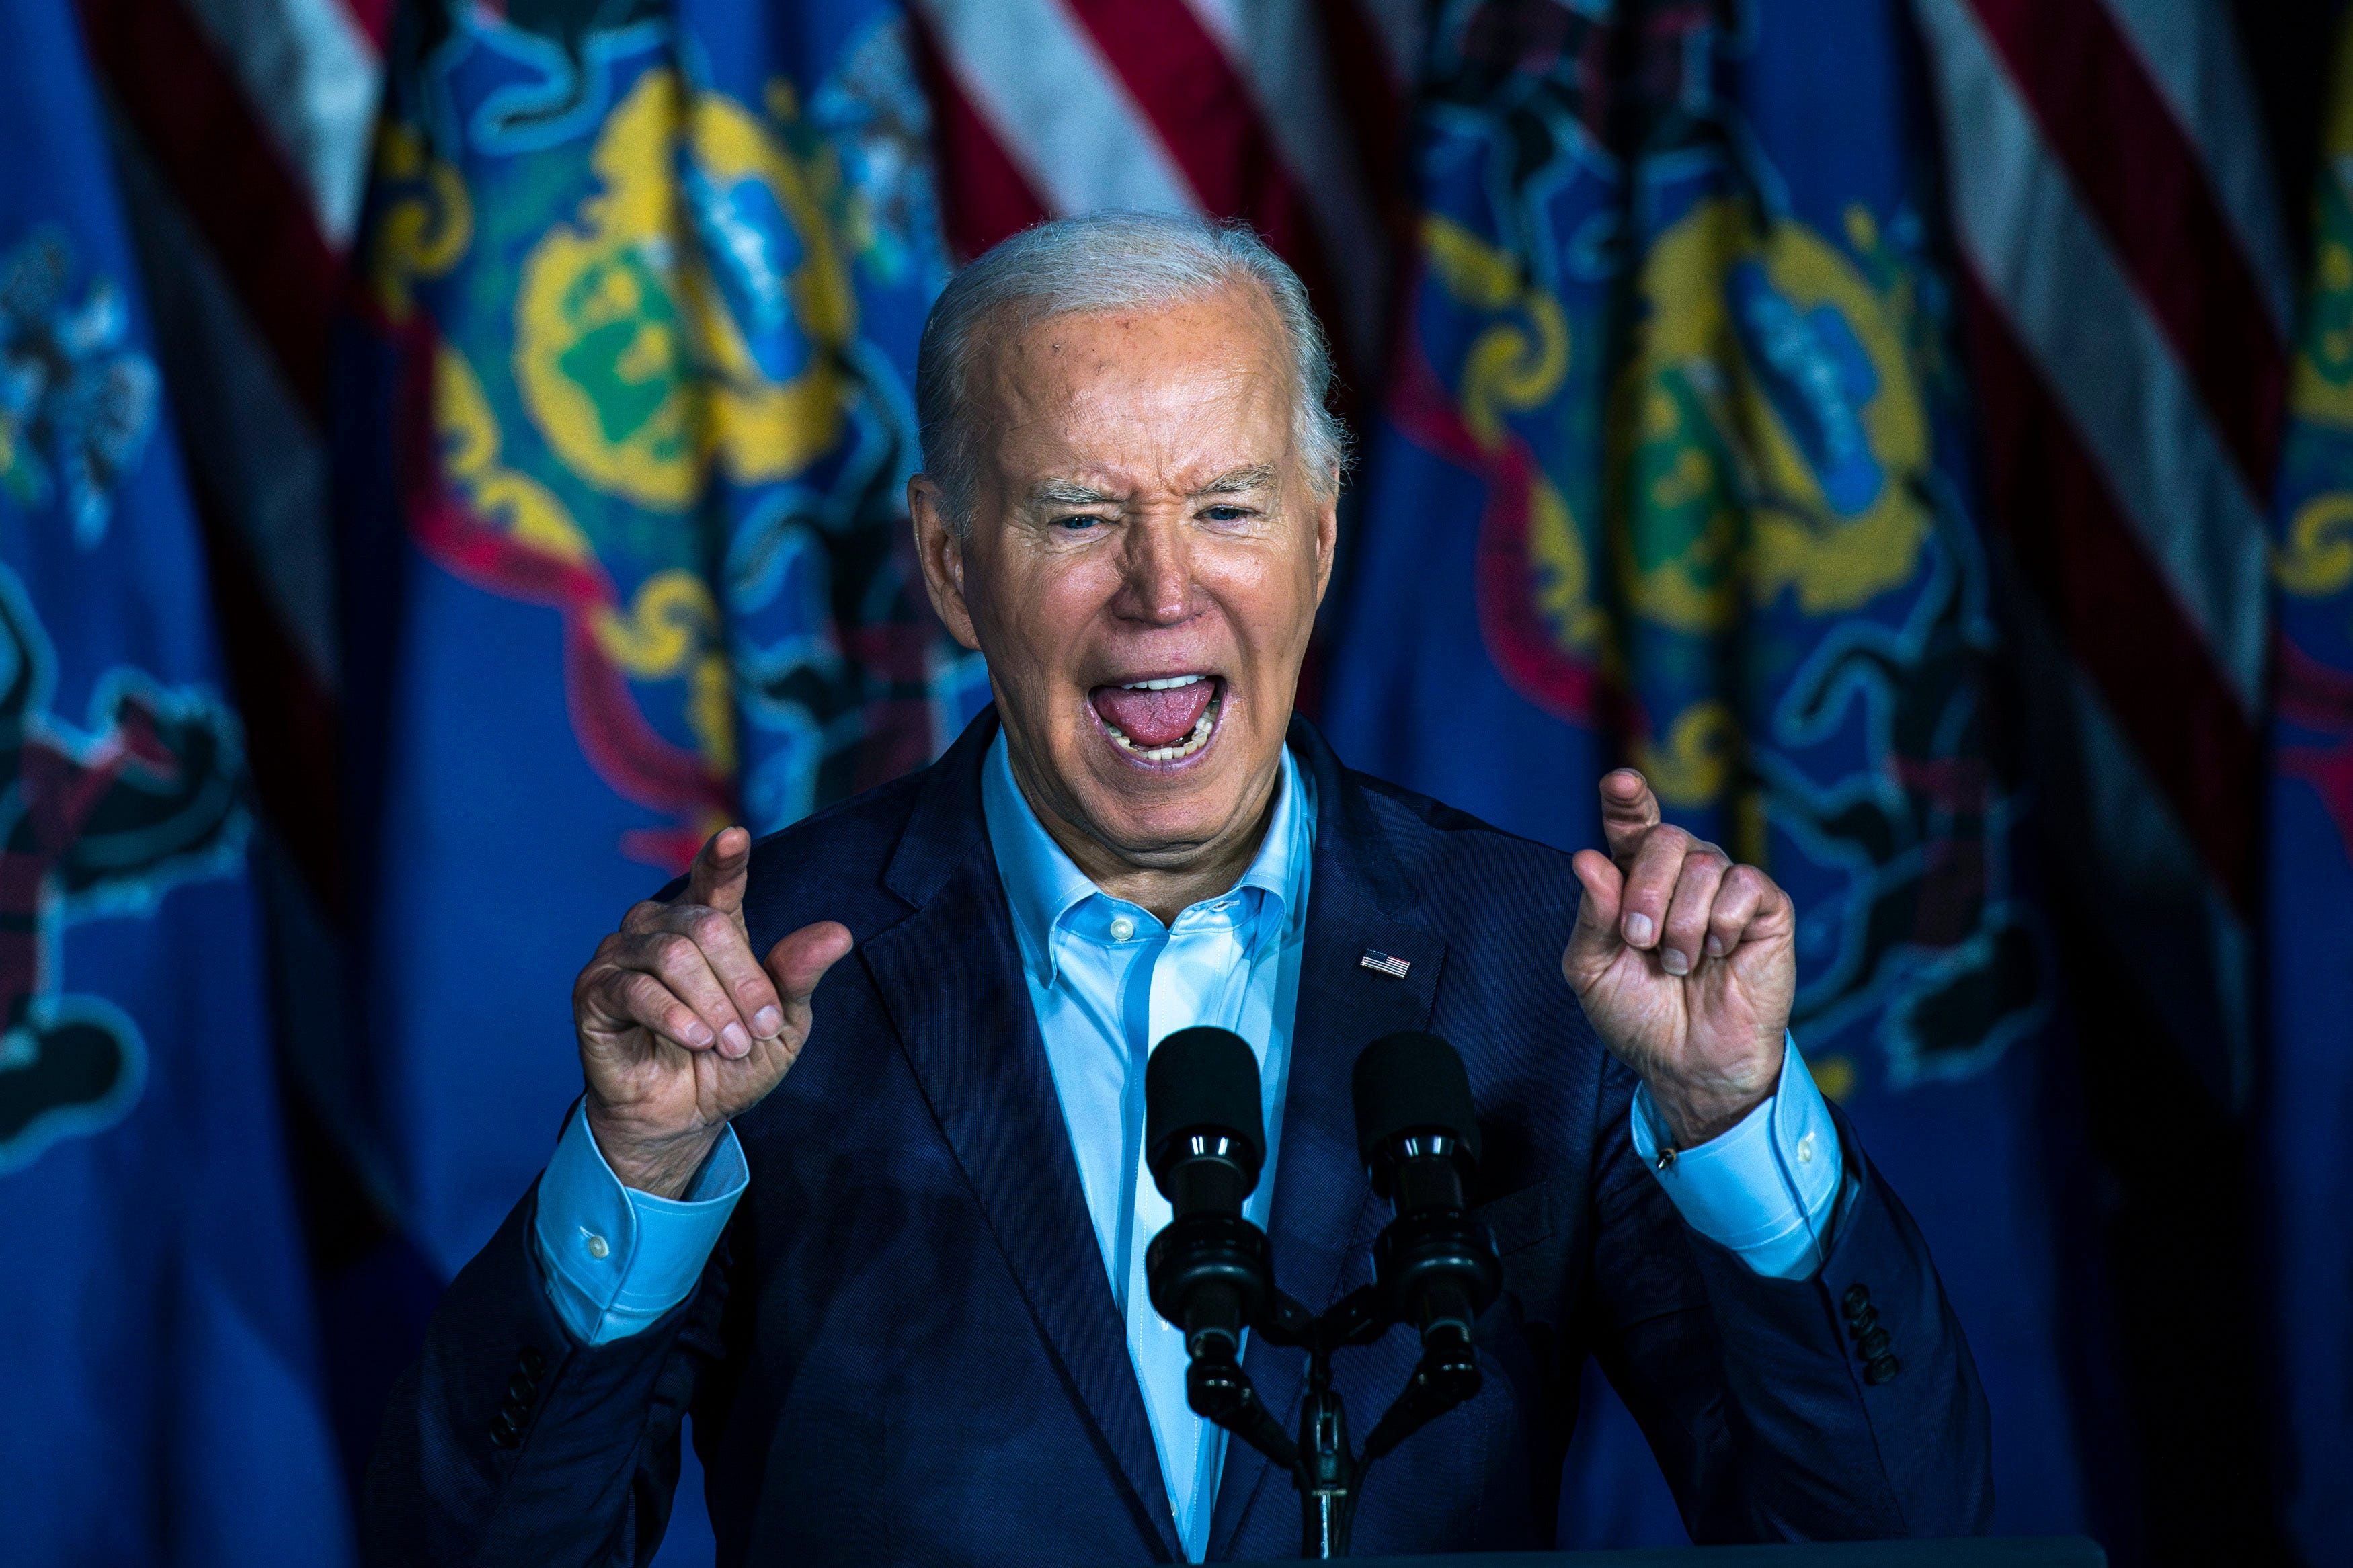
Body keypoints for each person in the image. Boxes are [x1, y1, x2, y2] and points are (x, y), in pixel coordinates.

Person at [364, 213, 1991, 1565]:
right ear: (948, 562)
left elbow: (1889, 1534)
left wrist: (1738, 1126)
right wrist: (641, 1174)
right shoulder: (762, 990)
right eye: (1080, 515)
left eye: (1226, 507)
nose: (1162, 588)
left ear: (1321, 538)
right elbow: (490, 1547)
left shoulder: (1545, 977)